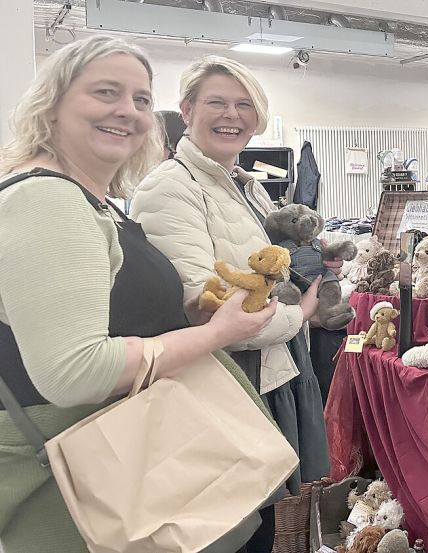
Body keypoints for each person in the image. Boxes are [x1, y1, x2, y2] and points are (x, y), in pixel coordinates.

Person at [0, 36, 278, 553]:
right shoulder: (47, 200)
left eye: (141, 99)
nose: (127, 111)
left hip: (128, 454)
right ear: (54, 104)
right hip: (80, 474)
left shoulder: (95, 202)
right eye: (106, 93)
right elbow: (74, 371)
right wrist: (217, 334)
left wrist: (189, 312)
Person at [128, 55, 328, 553]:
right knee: (227, 531)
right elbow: (204, 304)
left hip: (264, 371)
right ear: (187, 109)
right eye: (217, 102)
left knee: (259, 522)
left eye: (244, 105)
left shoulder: (246, 184)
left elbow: (263, 267)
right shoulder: (169, 189)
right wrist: (299, 314)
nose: (231, 115)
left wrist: (306, 271)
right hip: (223, 380)